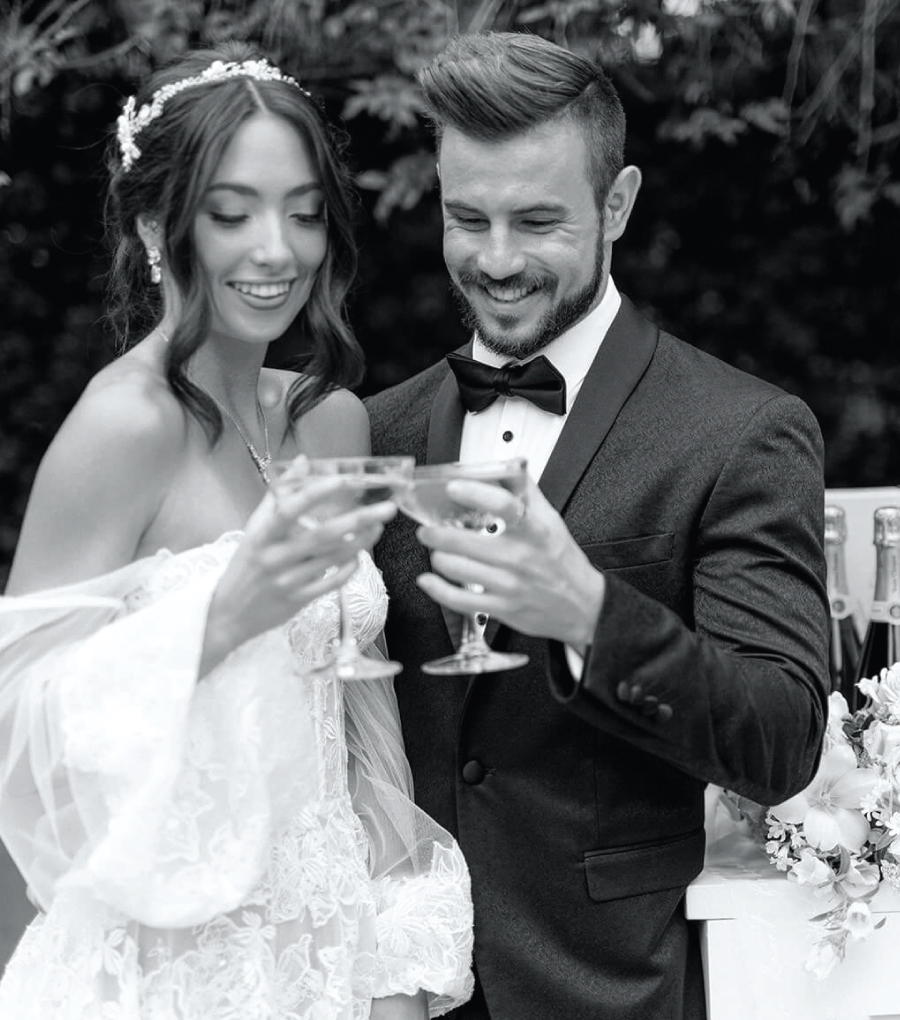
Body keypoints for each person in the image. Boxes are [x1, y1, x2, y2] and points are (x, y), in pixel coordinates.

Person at [0, 42, 473, 1020]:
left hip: (327, 969)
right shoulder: (123, 428)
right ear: (153, 229)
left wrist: (392, 955)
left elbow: (357, 710)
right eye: (232, 213)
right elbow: (16, 718)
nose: (278, 249)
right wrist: (219, 617)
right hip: (165, 976)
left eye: (305, 214)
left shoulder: (330, 420)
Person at [366, 30, 829, 1020]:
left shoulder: (739, 433)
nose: (494, 260)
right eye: (465, 219)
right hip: (396, 994)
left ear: (617, 203)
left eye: (537, 221)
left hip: (609, 990)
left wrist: (589, 613)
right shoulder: (377, 432)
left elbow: (782, 740)